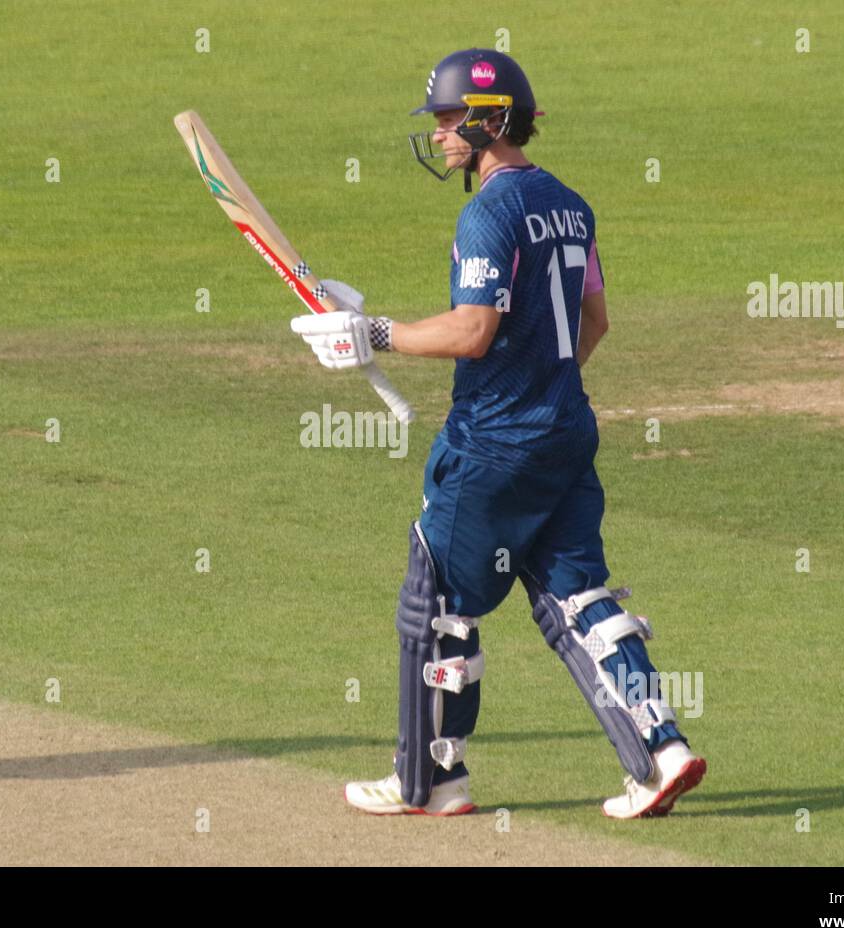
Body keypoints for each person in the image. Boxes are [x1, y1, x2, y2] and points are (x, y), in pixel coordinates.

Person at [290, 49, 706, 819]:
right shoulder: (569, 203)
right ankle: (659, 753)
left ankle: (430, 782)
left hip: (492, 447)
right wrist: (542, 386)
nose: (441, 135)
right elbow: (594, 321)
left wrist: (372, 332)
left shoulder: (488, 211)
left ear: (489, 121)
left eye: (450, 120)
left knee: (437, 597)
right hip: (565, 434)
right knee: (579, 595)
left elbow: (476, 330)